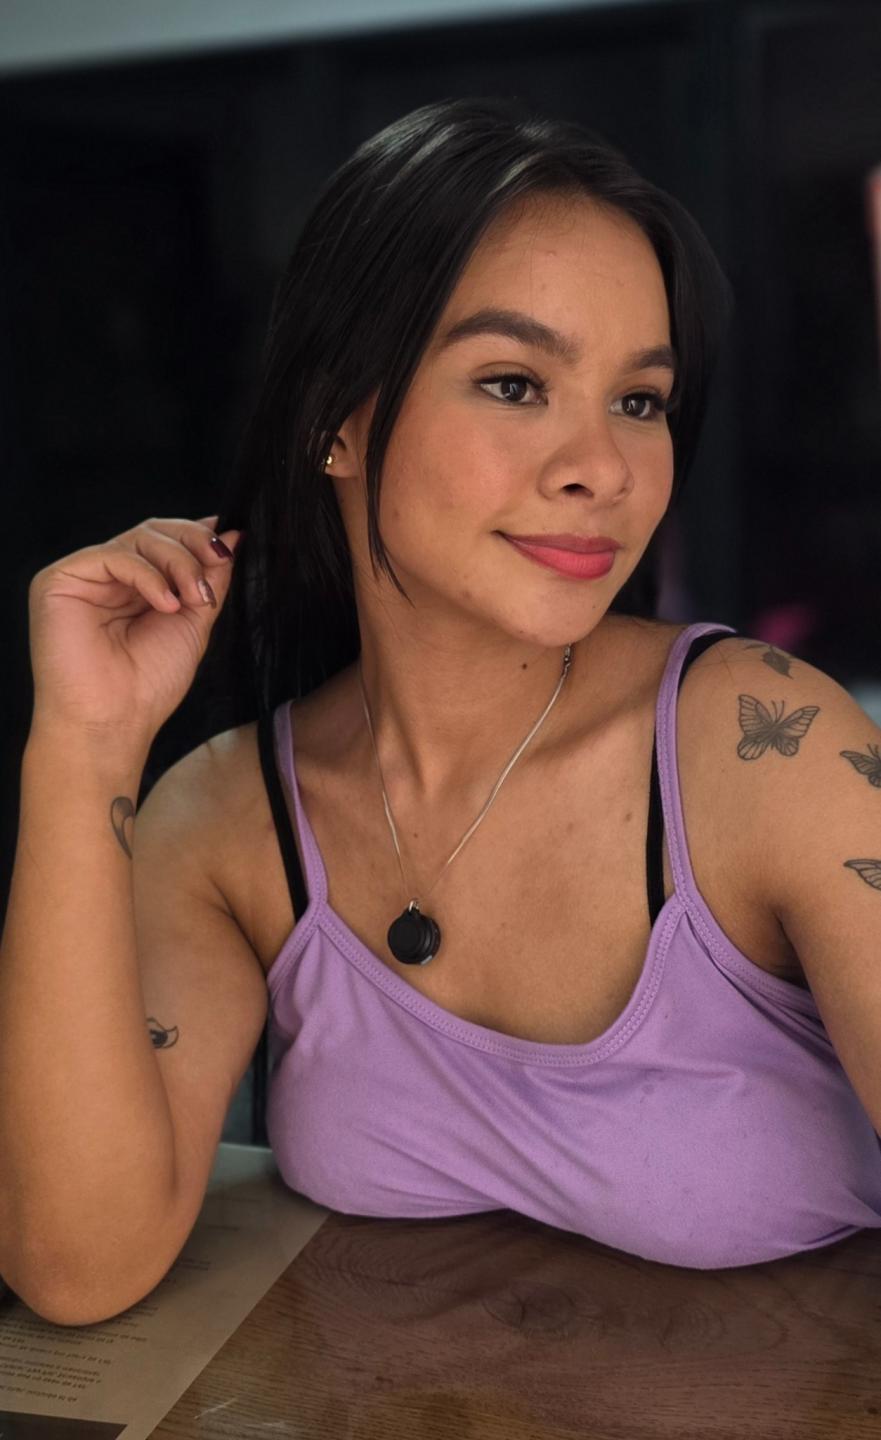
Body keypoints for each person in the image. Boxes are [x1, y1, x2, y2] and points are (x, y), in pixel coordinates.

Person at [4, 98, 881, 1326]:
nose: (602, 468)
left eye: (639, 400)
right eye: (514, 383)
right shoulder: (226, 824)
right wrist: (84, 744)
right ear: (333, 420)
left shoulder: (759, 748)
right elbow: (77, 1265)